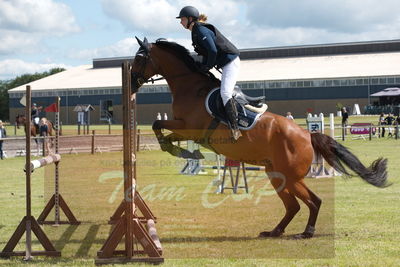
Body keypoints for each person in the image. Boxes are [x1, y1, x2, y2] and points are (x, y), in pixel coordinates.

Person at [176, 6, 241, 140]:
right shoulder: (195, 31)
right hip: (224, 63)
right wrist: (202, 66)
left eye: (182, 19)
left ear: (190, 19)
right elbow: (207, 53)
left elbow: (212, 51)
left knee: (225, 93)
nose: (180, 22)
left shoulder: (200, 30)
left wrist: (207, 66)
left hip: (230, 62)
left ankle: (235, 128)